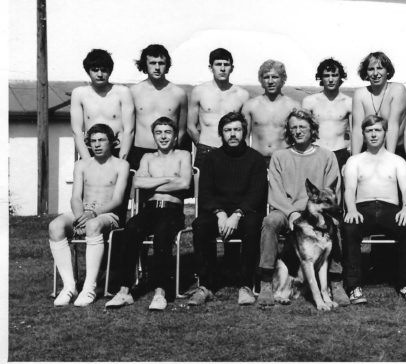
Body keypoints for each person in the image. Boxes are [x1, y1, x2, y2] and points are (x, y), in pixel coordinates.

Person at [256, 109, 349, 307]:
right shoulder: (279, 156)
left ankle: (336, 280)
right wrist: (291, 213)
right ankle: (266, 281)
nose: (298, 131)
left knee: (336, 224)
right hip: (287, 210)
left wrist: (320, 213)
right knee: (270, 222)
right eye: (294, 127)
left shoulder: (327, 156)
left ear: (312, 129)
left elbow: (333, 190)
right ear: (289, 131)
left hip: (317, 210)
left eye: (302, 127)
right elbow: (275, 192)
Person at [105, 117, 192, 311]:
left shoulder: (183, 155)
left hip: (172, 210)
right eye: (158, 132)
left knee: (162, 235)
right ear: (153, 136)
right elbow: (138, 183)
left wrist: (153, 181)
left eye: (167, 132)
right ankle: (124, 291)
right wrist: (170, 178)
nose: (163, 136)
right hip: (150, 209)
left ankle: (160, 293)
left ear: (175, 135)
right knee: (130, 230)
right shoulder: (147, 158)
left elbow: (185, 183)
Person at [188, 112, 268, 307]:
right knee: (200, 225)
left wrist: (237, 214)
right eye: (227, 130)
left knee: (252, 225)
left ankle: (245, 285)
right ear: (221, 134)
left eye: (237, 130)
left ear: (244, 133)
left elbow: (257, 194)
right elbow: (205, 192)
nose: (232, 134)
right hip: (219, 214)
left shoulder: (255, 159)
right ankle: (206, 285)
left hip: (245, 214)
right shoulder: (211, 158)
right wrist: (220, 213)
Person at [342, 115, 406, 305]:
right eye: (369, 131)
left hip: (390, 208)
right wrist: (351, 210)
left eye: (377, 130)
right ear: (363, 134)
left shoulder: (397, 161)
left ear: (385, 133)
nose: (373, 134)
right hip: (362, 207)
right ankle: (354, 287)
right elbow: (350, 189)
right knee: (349, 229)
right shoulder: (355, 160)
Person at [49, 124, 129, 307]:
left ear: (112, 143)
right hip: (82, 212)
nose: (97, 145)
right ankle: (69, 286)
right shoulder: (82, 165)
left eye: (101, 140)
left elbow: (117, 200)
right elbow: (75, 197)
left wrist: (92, 215)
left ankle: (89, 287)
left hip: (108, 215)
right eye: (93, 141)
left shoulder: (121, 165)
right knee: (55, 226)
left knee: (93, 225)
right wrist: (79, 218)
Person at [187, 48, 250, 169]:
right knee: (203, 187)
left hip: (232, 151)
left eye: (226, 65)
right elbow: (190, 126)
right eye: (218, 64)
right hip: (205, 149)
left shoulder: (242, 95)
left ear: (232, 68)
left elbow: (245, 131)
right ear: (211, 67)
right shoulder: (199, 91)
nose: (222, 68)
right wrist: (201, 145)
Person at [129, 44, 188, 171]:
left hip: (168, 153)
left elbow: (182, 130)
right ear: (145, 65)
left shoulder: (179, 94)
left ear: (167, 65)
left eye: (161, 63)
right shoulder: (134, 92)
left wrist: (172, 152)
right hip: (139, 151)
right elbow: (129, 129)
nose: (157, 67)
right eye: (152, 63)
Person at [70, 49, 134, 160]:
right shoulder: (79, 93)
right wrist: (87, 161)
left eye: (104, 70)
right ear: (88, 71)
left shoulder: (122, 92)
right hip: (91, 152)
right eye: (95, 70)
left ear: (110, 71)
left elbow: (129, 130)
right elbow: (77, 131)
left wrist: (121, 160)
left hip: (118, 151)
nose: (100, 74)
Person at [351, 51, 406, 159]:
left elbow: (393, 126)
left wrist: (390, 160)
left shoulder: (397, 90)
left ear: (387, 71)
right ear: (366, 73)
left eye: (380, 68)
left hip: (394, 151)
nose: (375, 73)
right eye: (371, 69)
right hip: (368, 151)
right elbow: (357, 130)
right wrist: (353, 160)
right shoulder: (360, 94)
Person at [242, 60, 300, 164]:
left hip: (284, 160)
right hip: (256, 160)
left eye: (275, 77)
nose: (270, 81)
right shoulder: (250, 106)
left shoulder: (293, 106)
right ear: (261, 81)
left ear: (283, 79)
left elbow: (298, 137)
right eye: (266, 77)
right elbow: (244, 138)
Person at [302, 58, 352, 170]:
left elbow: (355, 132)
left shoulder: (349, 103)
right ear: (320, 78)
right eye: (326, 75)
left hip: (340, 154)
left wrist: (351, 159)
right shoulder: (309, 102)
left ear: (340, 77)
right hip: (315, 152)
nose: (330, 79)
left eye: (334, 75)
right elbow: (303, 131)